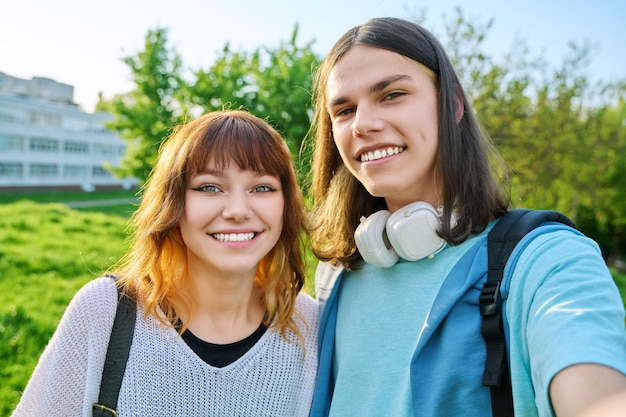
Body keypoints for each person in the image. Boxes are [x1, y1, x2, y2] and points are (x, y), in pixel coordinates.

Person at [306, 17, 626, 417]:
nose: (364, 125)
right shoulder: (336, 277)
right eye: (345, 110)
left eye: (392, 94)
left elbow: (595, 391)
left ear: (453, 104)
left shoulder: (546, 260)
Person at [11, 109, 318, 416]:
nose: (238, 210)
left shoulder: (311, 326)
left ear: (286, 205)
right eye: (209, 187)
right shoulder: (106, 312)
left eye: (261, 187)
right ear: (173, 203)